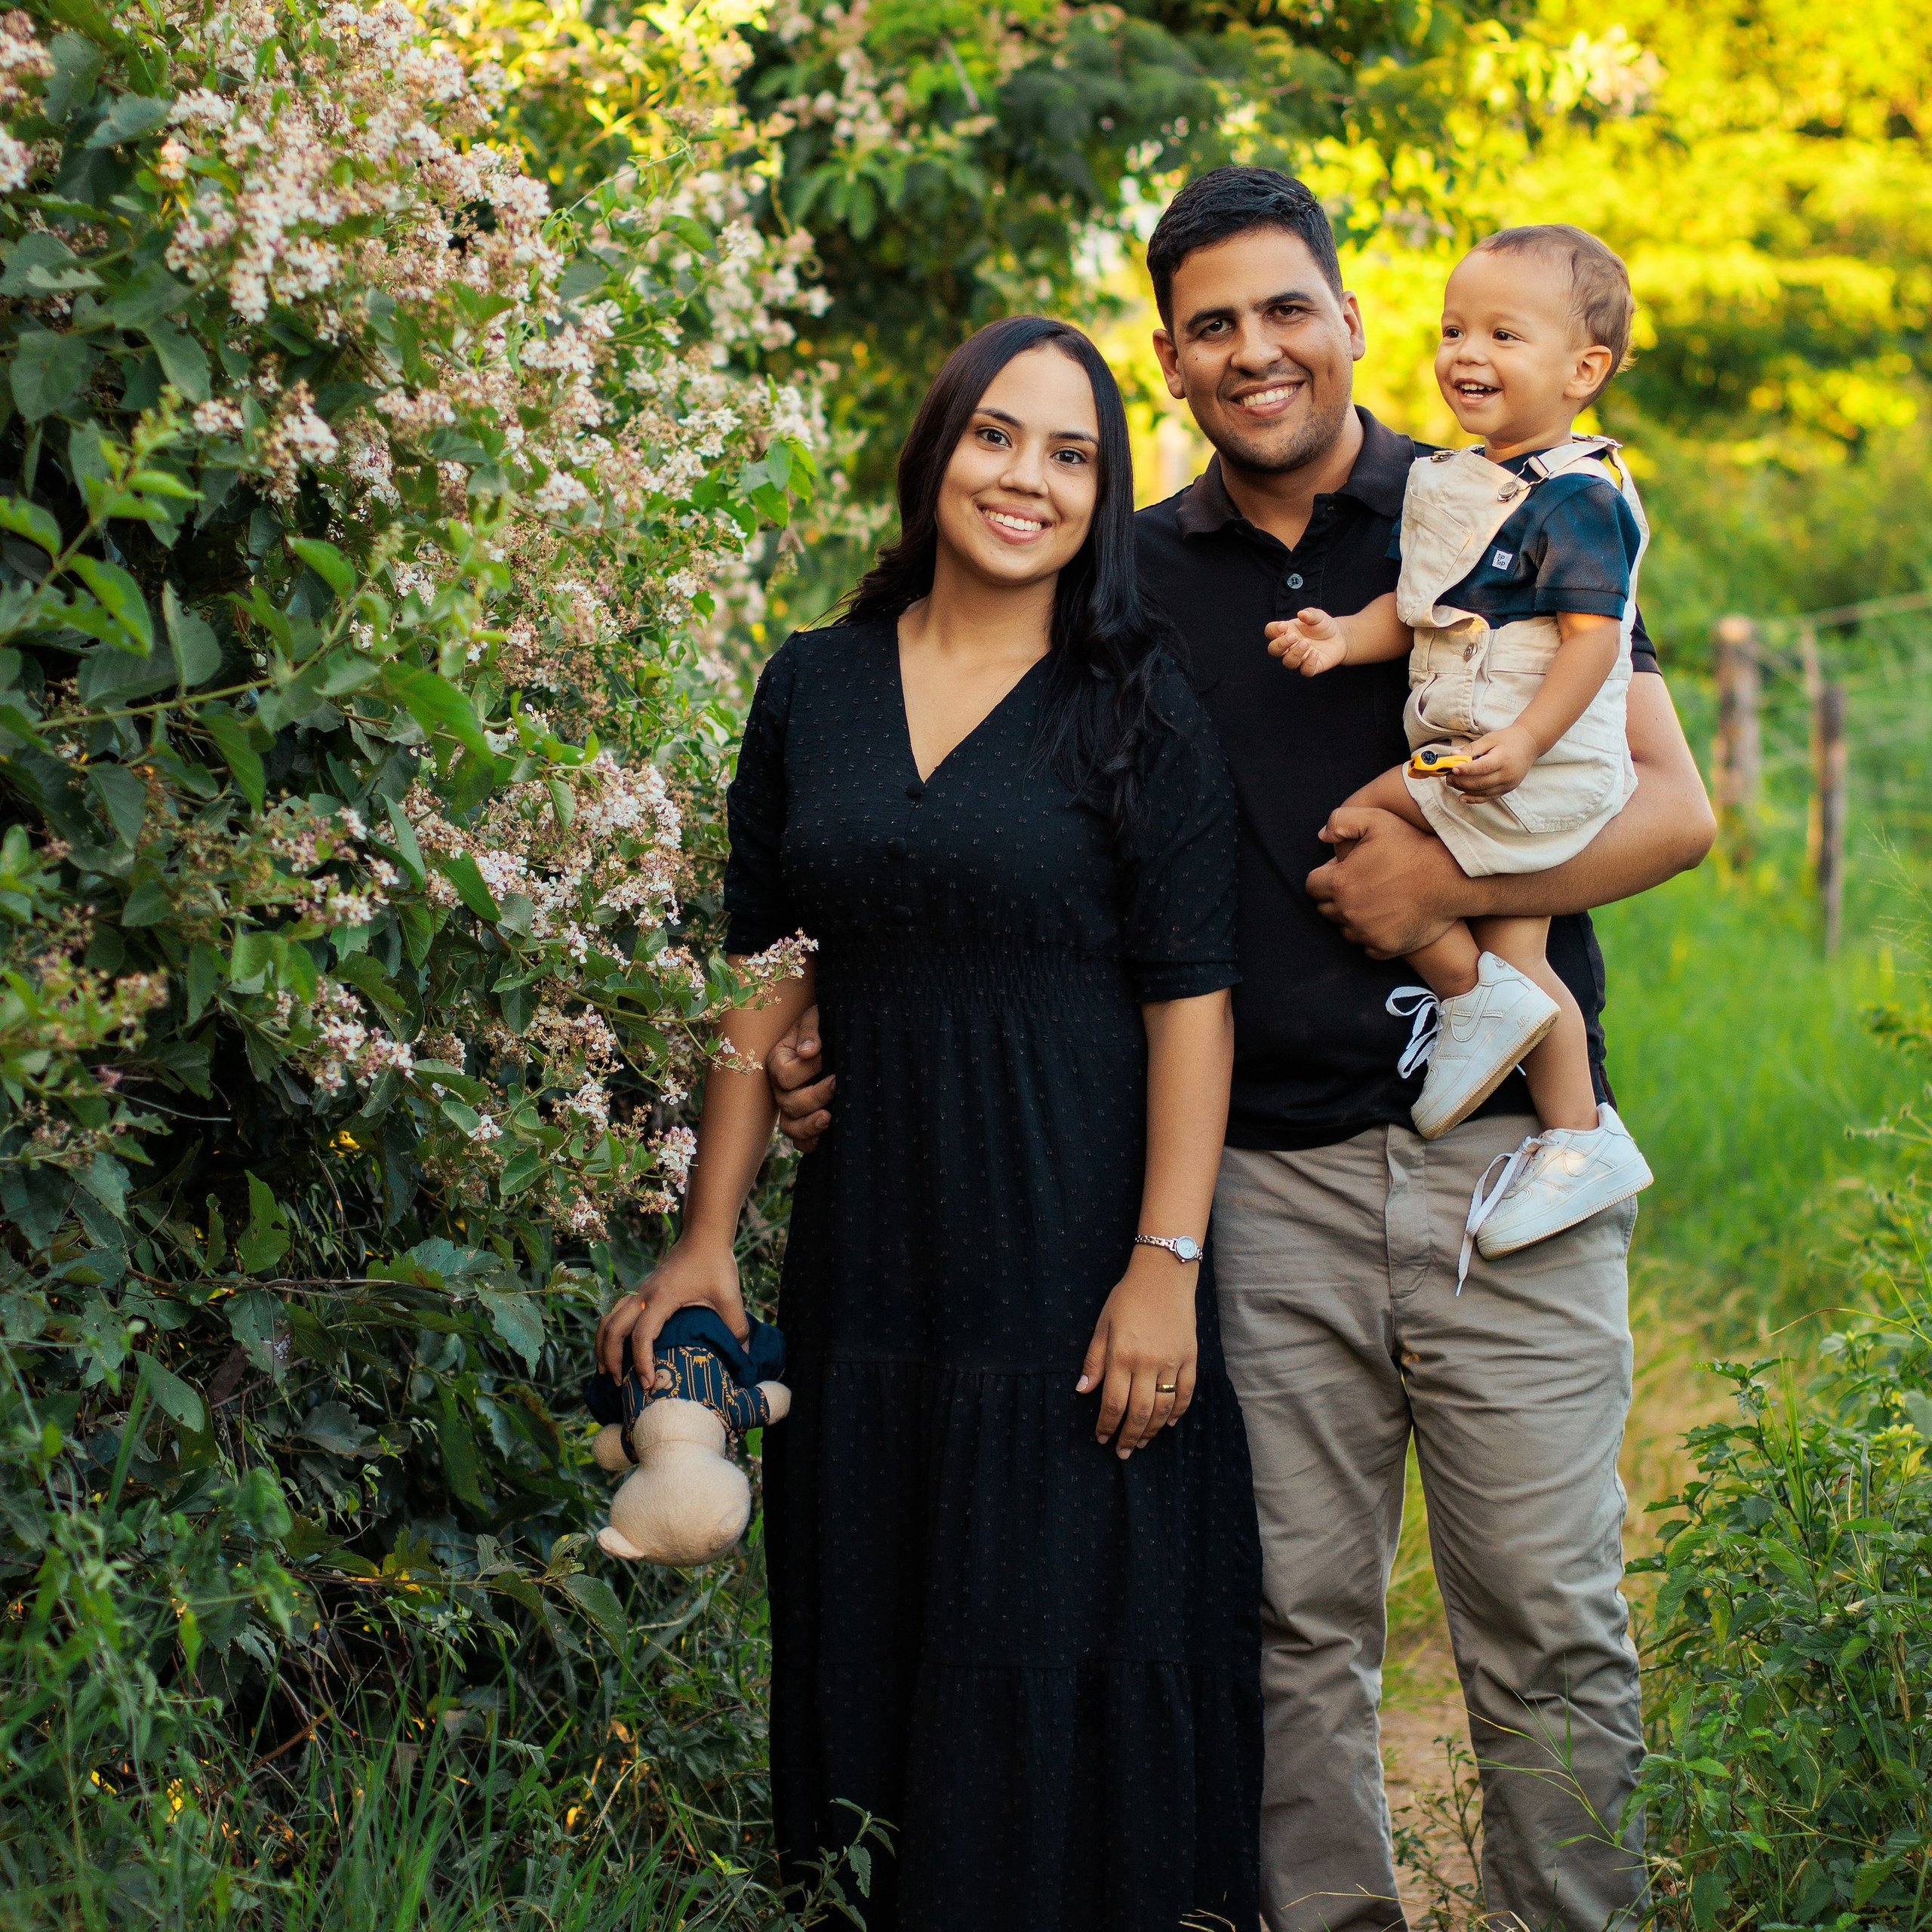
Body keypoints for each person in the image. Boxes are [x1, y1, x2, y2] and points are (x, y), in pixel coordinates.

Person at [768, 170, 1715, 1932]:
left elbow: (1671, 809)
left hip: (1500, 1153)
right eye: (1211, 324)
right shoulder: (1117, 572)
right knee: (1286, 1633)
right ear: (1168, 361)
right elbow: (975, 820)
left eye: (1286, 308)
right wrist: (836, 1020)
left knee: (1546, 1621)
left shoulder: (1487, 499)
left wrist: (1442, 870)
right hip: (1251, 1186)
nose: (1254, 349)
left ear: (1349, 318)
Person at [595, 315, 1263, 1931]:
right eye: (994, 435)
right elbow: (763, 973)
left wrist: (1162, 1262)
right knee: (875, 1640)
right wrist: (703, 1237)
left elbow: (1191, 998)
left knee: (1058, 1645)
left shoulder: (1137, 705)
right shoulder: (812, 682)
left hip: (1075, 1256)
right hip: (873, 1248)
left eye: (1069, 453)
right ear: (934, 450)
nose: (1023, 477)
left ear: (1103, 497)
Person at [1268, 224, 1656, 1269]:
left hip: (1531, 759)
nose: (1465, 353)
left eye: (1502, 334)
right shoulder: (1463, 481)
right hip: (1484, 749)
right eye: (1453, 329)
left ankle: (1473, 1005)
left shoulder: (1578, 495)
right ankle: (1577, 1135)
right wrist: (1344, 638)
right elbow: (1431, 612)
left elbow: (1590, 644)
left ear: (1584, 371)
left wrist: (1529, 741)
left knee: (1361, 822)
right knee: (1522, 958)